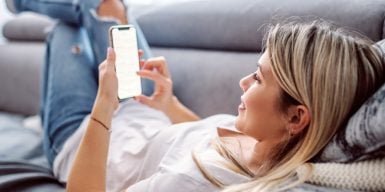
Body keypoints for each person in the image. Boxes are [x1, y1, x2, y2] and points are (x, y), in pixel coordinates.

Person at [11, 0, 385, 191]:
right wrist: (169, 104)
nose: (243, 82)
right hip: (143, 108)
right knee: (111, 6)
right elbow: (206, 138)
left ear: (297, 118)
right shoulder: (271, 143)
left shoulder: (190, 182)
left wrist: (104, 107)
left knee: (69, 25)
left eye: (258, 78)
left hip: (84, 135)